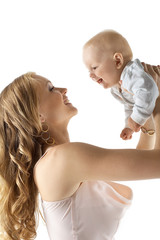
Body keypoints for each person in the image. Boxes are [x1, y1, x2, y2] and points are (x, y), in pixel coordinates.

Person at [0, 66, 159, 240]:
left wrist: (146, 114)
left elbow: (144, 157)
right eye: (51, 89)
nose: (63, 90)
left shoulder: (58, 159)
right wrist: (155, 99)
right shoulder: (62, 158)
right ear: (38, 116)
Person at [83, 29, 159, 140]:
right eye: (89, 70)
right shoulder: (116, 89)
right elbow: (130, 106)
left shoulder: (131, 73)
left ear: (117, 61)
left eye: (94, 68)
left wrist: (137, 119)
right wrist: (129, 127)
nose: (91, 75)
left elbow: (148, 91)